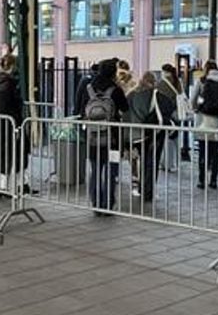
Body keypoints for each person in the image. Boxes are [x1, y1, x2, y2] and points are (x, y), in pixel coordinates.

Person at [76, 59, 129, 214]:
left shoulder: (88, 88)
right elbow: (125, 108)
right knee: (111, 171)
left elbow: (81, 110)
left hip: (92, 137)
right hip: (112, 137)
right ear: (113, 72)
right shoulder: (115, 90)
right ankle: (108, 204)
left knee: (96, 169)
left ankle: (96, 204)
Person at [127, 71, 177, 201]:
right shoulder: (155, 95)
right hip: (152, 133)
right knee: (151, 162)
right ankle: (148, 192)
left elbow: (125, 113)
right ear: (153, 82)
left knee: (141, 162)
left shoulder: (131, 94)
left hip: (135, 134)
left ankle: (139, 187)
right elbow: (170, 109)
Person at [0, 54, 30, 198]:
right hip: (10, 124)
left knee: (3, 154)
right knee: (16, 154)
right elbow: (9, 106)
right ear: (13, 66)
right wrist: (16, 124)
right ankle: (12, 187)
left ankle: (3, 186)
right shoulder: (9, 84)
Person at [189, 60, 218, 189]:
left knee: (203, 150)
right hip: (216, 121)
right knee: (215, 151)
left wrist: (196, 109)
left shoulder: (201, 81)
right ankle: (213, 180)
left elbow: (193, 99)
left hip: (202, 119)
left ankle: (201, 180)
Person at [158, 64, 187, 171]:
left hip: (167, 114)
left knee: (167, 139)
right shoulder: (178, 81)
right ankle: (176, 163)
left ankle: (167, 163)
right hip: (177, 113)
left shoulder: (163, 83)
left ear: (165, 72)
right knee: (175, 139)